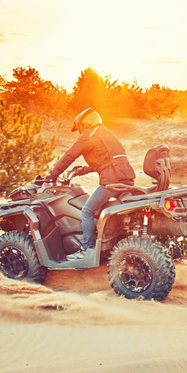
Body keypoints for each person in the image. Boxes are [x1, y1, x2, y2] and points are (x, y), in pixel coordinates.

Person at [47, 108, 136, 260]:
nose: (80, 132)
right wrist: (83, 170)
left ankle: (87, 249)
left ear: (84, 124)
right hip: (127, 179)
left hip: (112, 181)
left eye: (80, 129)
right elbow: (106, 160)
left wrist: (52, 175)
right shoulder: (106, 133)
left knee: (87, 210)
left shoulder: (89, 135)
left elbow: (69, 155)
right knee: (102, 210)